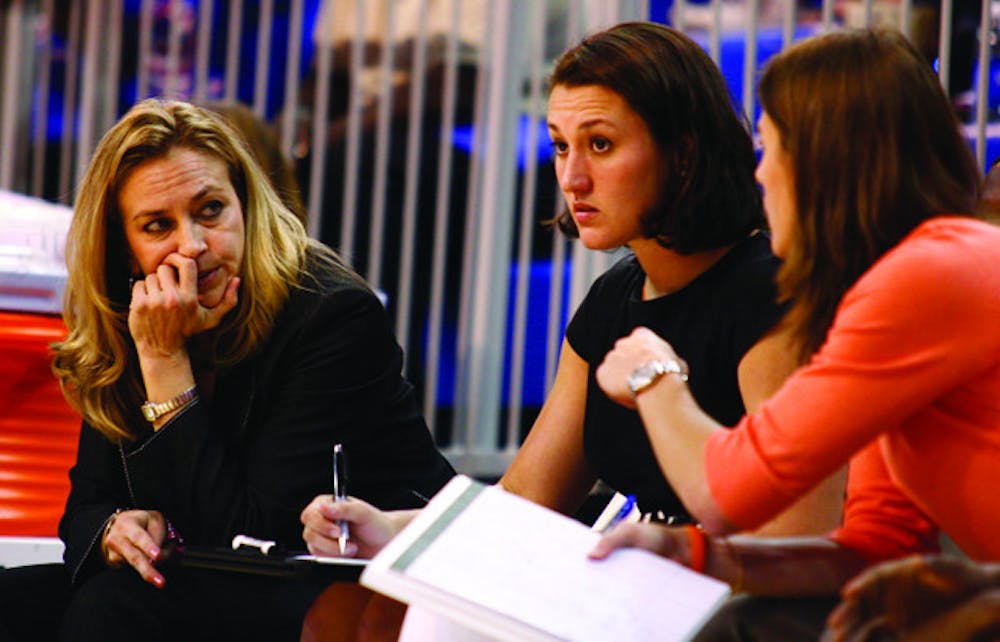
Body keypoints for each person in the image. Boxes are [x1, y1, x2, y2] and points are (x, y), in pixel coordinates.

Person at [300, 22, 845, 561]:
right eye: (561, 147)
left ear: (683, 152)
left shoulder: (766, 290)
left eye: (601, 145)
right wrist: (389, 529)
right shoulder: (613, 299)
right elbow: (524, 501)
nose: (572, 177)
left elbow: (797, 536)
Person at [587, 28, 996, 640]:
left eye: (768, 147)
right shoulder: (912, 277)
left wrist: (653, 374)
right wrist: (694, 554)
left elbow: (726, 492)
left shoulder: (926, 275)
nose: (761, 175)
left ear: (819, 160)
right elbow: (873, 546)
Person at [0, 99, 455, 642]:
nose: (192, 245)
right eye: (157, 225)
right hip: (209, 581)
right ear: (125, 251)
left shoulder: (329, 315)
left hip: (348, 588)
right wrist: (113, 532)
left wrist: (165, 363)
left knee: (113, 609)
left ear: (245, 206)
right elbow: (86, 505)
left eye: (211, 210)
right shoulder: (133, 317)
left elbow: (249, 537)